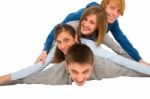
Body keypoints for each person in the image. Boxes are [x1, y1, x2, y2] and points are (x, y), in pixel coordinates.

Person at [0, 24, 150, 85]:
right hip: (69, 45)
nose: (63, 46)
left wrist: (141, 63)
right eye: (59, 42)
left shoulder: (93, 49)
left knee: (120, 52)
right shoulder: (58, 50)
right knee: (28, 78)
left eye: (66, 41)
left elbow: (123, 63)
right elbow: (38, 68)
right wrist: (7, 77)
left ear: (75, 39)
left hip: (95, 36)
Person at [36, 0, 149, 65]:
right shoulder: (88, 13)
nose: (114, 13)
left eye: (119, 11)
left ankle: (137, 63)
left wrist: (139, 59)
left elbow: (123, 40)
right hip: (76, 37)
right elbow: (59, 28)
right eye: (112, 8)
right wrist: (45, 50)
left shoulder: (113, 23)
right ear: (104, 6)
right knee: (54, 54)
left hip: (92, 39)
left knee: (117, 47)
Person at [1, 44, 149, 86]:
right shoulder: (58, 74)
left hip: (92, 45)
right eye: (74, 71)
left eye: (85, 71)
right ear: (67, 67)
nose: (79, 78)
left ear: (91, 66)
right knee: (28, 79)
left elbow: (131, 70)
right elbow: (25, 78)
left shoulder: (106, 67)